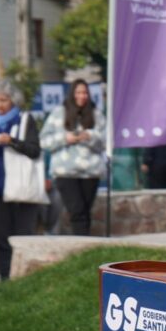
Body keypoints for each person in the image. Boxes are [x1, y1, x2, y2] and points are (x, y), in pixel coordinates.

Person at [0, 80, 42, 280]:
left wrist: (11, 141)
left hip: (21, 189)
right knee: (2, 239)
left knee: (23, 237)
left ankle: (25, 279)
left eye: (3, 100)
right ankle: (5, 280)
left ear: (13, 100)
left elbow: (34, 150)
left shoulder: (24, 120)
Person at [41, 79, 106, 235]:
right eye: (78, 92)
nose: (82, 96)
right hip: (65, 172)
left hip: (91, 171)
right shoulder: (58, 113)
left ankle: (85, 243)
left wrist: (89, 136)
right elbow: (43, 141)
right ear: (72, 94)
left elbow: (105, 141)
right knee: (77, 210)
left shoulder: (96, 114)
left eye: (85, 93)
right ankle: (81, 243)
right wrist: (65, 138)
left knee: (85, 211)